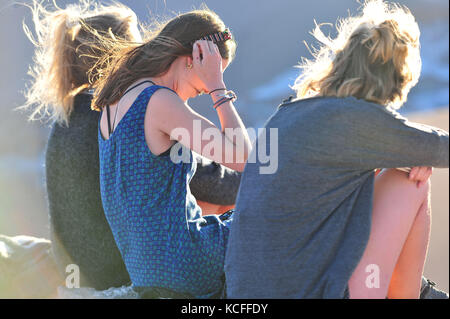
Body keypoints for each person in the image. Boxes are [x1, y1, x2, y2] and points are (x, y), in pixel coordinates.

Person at [225, 0, 449, 299]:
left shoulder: (290, 112)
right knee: (412, 181)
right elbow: (440, 149)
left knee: (386, 170)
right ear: (400, 73)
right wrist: (411, 156)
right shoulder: (356, 121)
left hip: (245, 294)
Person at [21, 0, 240, 291]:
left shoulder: (78, 114)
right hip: (120, 271)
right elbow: (215, 178)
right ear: (115, 47)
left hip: (81, 271)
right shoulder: (145, 103)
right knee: (234, 205)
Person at [92, 8, 252, 298]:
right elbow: (244, 158)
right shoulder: (159, 101)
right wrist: (219, 88)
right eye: (211, 72)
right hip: (187, 265)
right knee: (274, 216)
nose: (204, 89)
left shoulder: (113, 104)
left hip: (149, 274)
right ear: (193, 59)